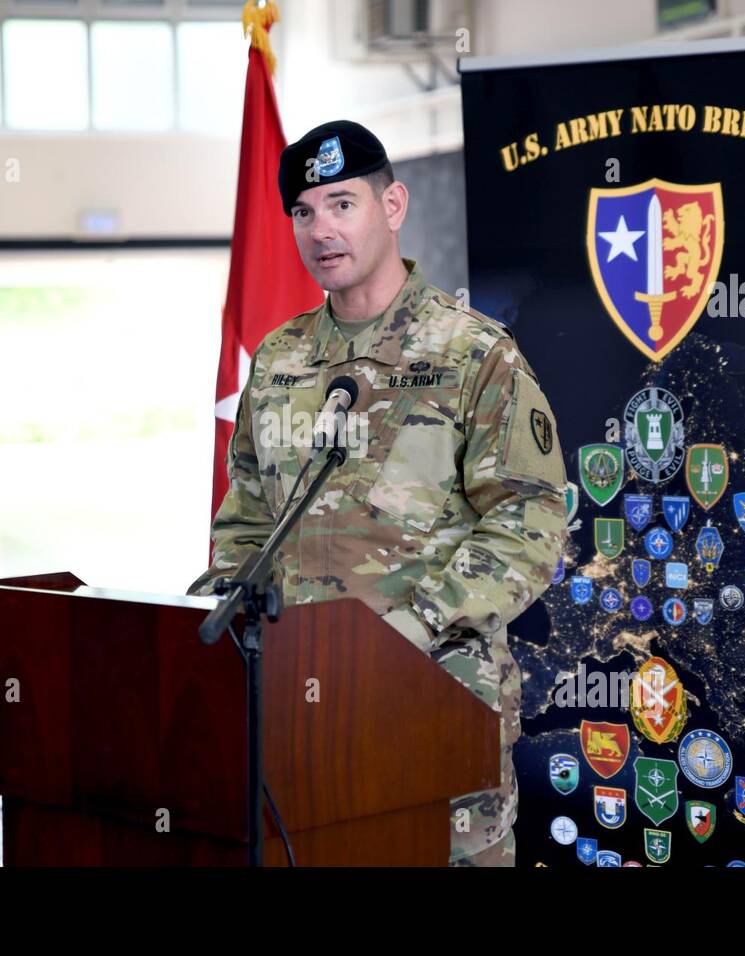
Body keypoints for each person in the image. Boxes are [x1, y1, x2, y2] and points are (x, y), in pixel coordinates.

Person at [187, 119, 567, 866]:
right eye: (303, 211)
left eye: (342, 203)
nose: (321, 229)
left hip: (436, 708)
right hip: (304, 717)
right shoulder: (280, 360)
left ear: (392, 206)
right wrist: (211, 632)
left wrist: (411, 633)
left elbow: (529, 521)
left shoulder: (473, 352)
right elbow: (245, 528)